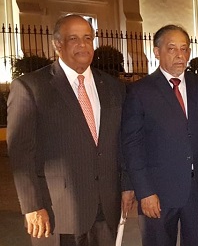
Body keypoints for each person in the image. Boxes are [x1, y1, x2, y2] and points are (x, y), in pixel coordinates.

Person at [7, 14, 134, 245]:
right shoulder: (31, 87)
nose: (83, 44)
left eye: (88, 37)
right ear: (58, 44)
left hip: (106, 208)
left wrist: (126, 186)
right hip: (57, 211)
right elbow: (21, 153)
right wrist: (32, 205)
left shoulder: (114, 87)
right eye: (73, 38)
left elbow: (122, 142)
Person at [121, 25, 198, 246]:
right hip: (157, 193)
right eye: (172, 49)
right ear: (157, 52)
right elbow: (132, 145)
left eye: (184, 49)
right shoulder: (140, 91)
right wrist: (145, 191)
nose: (180, 55)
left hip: (197, 192)